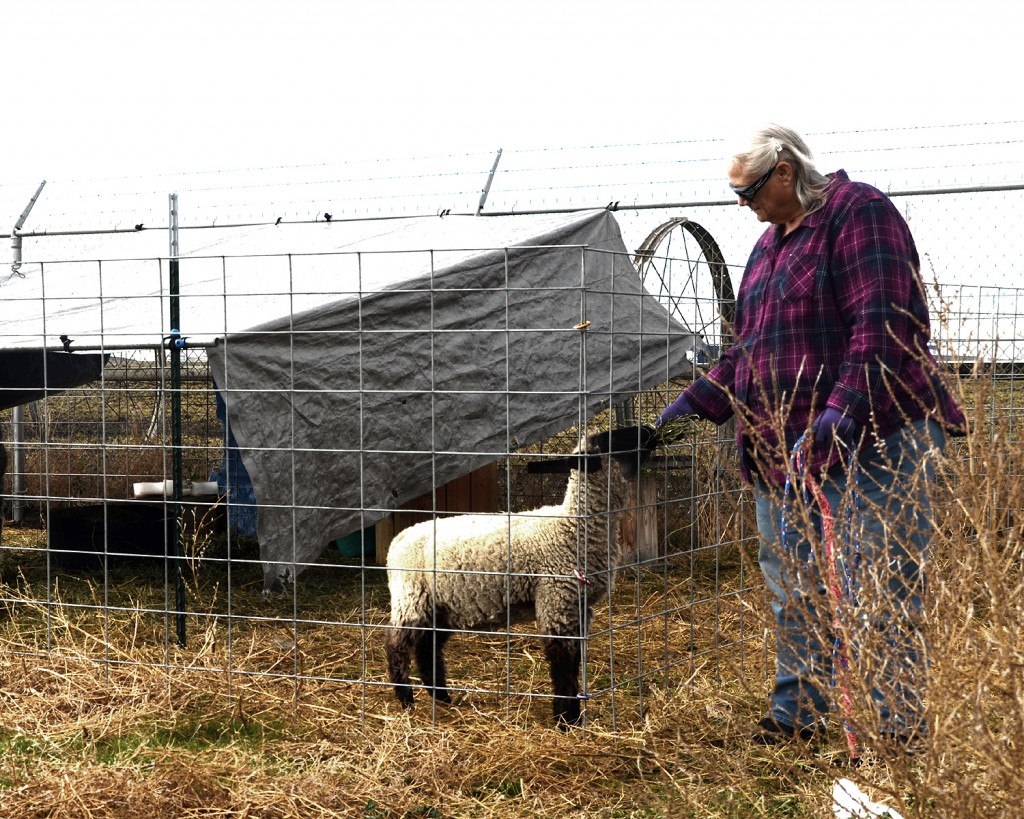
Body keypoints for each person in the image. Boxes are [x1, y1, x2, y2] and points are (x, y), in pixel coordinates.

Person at [657, 124, 966, 747]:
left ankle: (894, 734)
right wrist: (693, 403)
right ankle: (800, 715)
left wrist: (842, 411)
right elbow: (746, 349)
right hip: (784, 449)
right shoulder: (767, 249)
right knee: (795, 589)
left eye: (747, 192)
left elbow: (883, 324)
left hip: (875, 438)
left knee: (876, 587)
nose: (742, 205)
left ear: (784, 171)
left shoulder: (858, 213)